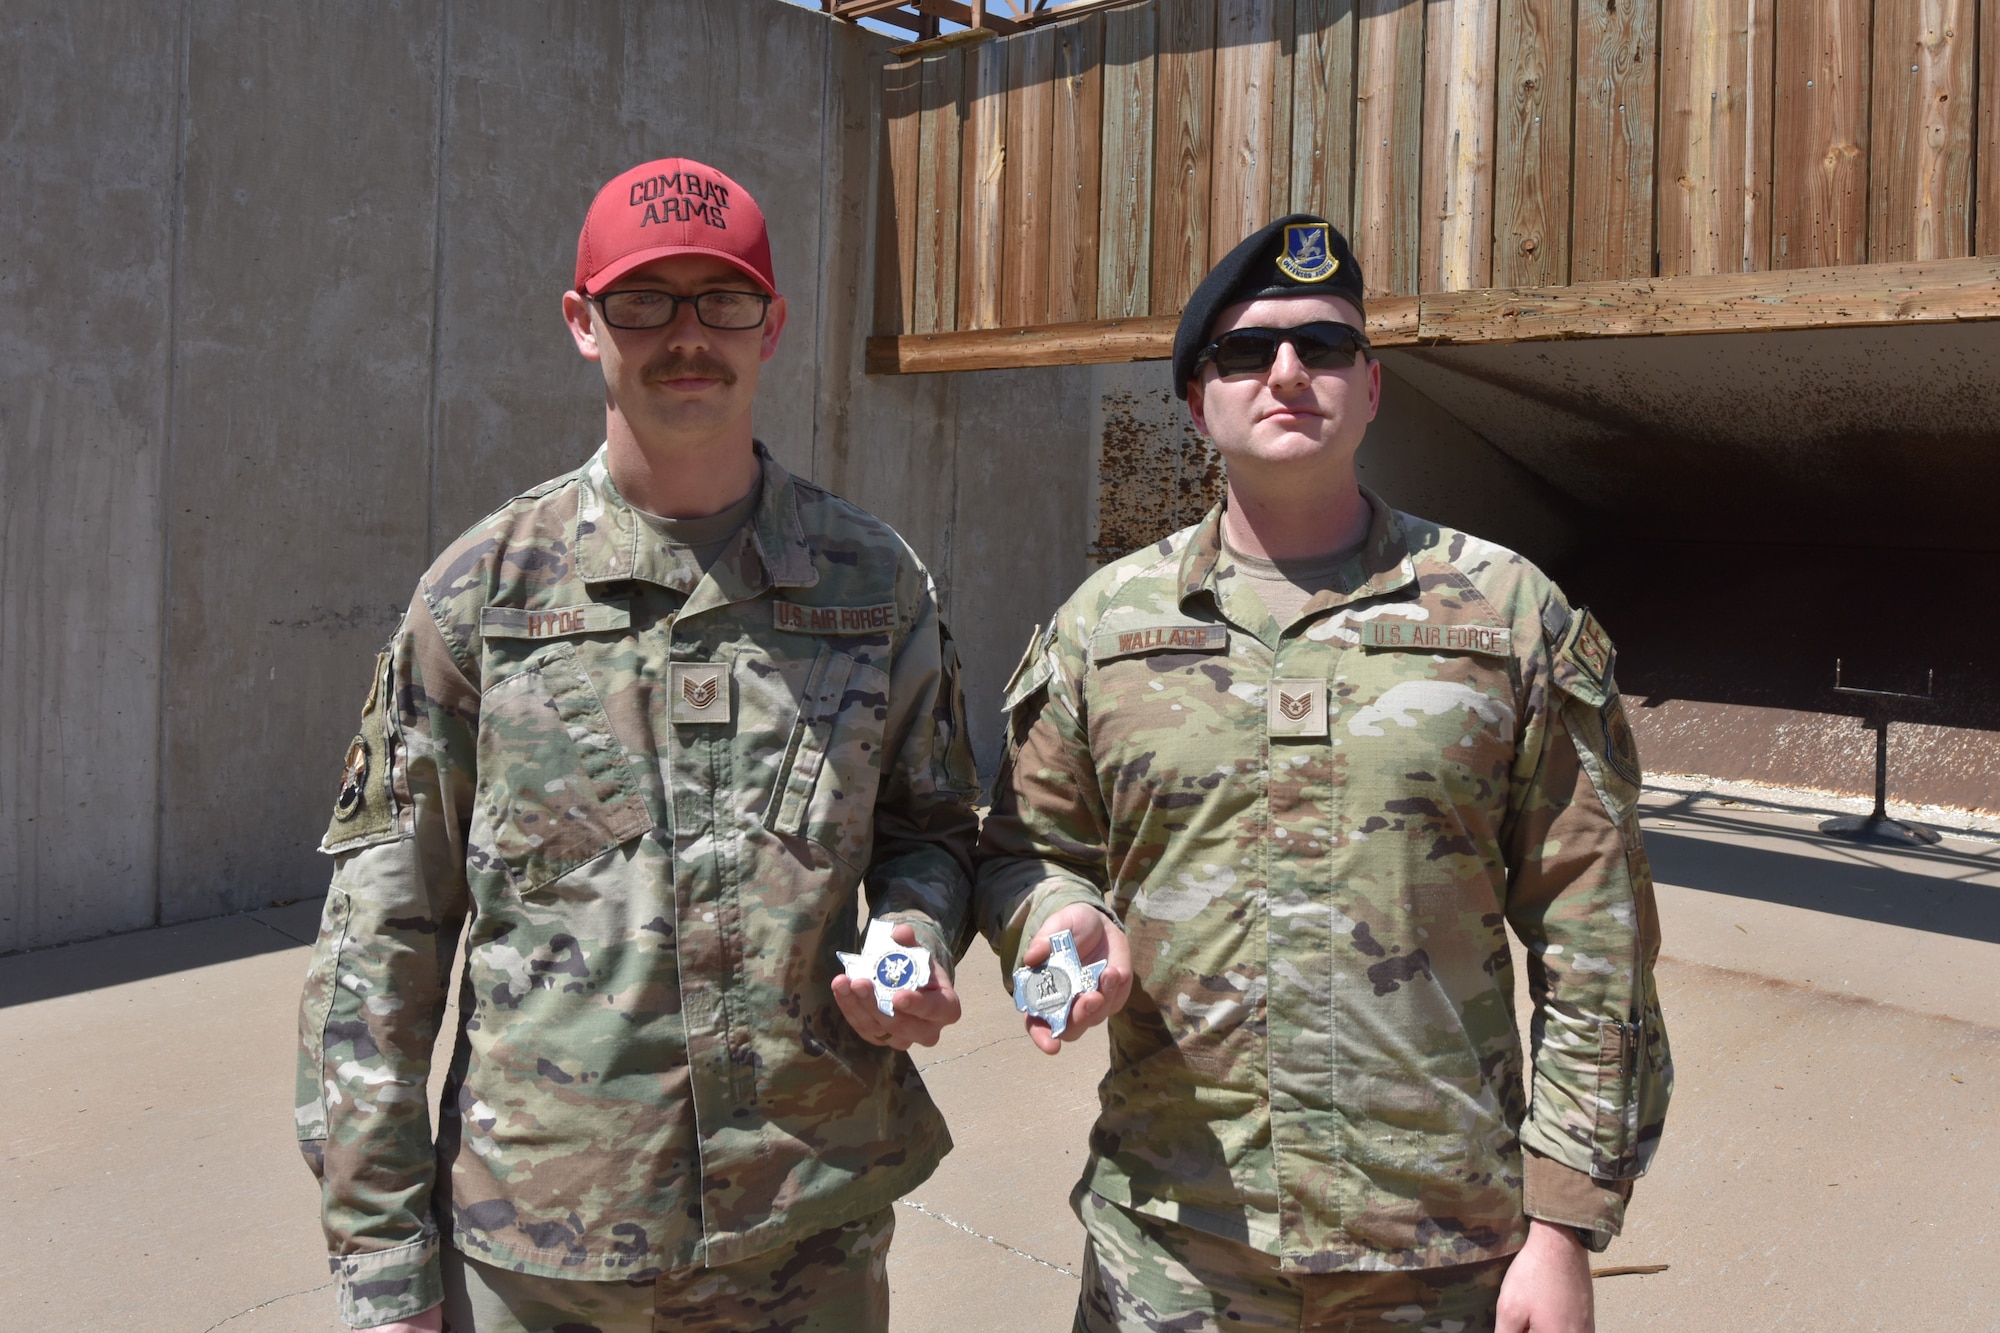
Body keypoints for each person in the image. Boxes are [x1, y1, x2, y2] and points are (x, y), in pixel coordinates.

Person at [295, 157, 981, 1333]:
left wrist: (913, 929)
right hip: (544, 1255)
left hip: (803, 1237)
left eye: (718, 300)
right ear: (582, 322)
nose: (684, 336)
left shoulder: (874, 584)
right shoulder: (480, 599)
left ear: (769, 323)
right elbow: (379, 953)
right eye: (641, 300)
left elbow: (934, 832)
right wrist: (382, 1267)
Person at [976, 215, 1672, 1333]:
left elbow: (1595, 933)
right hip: (1172, 1244)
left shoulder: (1502, 613)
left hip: (1446, 1254)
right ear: (1197, 397)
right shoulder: (1104, 627)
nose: (1287, 373)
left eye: (1324, 345)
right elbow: (1026, 852)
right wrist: (1058, 921)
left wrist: (1564, 1227)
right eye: (1244, 353)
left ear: (1371, 385)